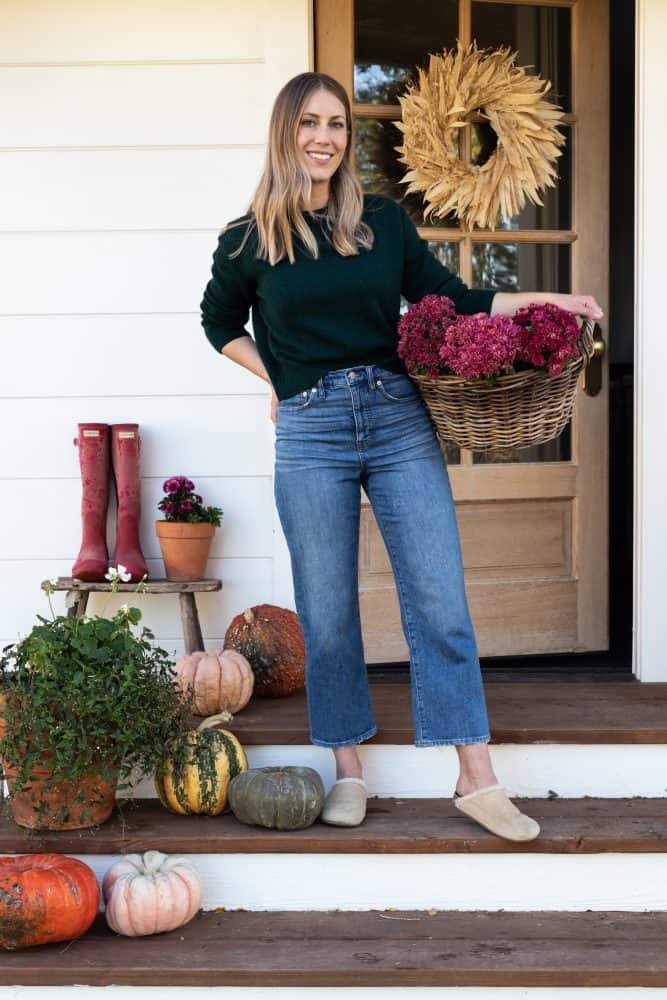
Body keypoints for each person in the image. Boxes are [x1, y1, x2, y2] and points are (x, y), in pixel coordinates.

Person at [200, 71, 603, 840]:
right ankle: (348, 769)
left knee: (438, 601)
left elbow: (452, 297)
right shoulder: (247, 239)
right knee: (327, 613)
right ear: (286, 132)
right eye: (310, 122)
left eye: (337, 125)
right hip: (312, 433)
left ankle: (474, 775)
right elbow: (218, 322)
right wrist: (276, 378)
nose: (324, 137)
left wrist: (554, 304)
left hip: (396, 418)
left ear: (347, 140)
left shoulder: (380, 222)